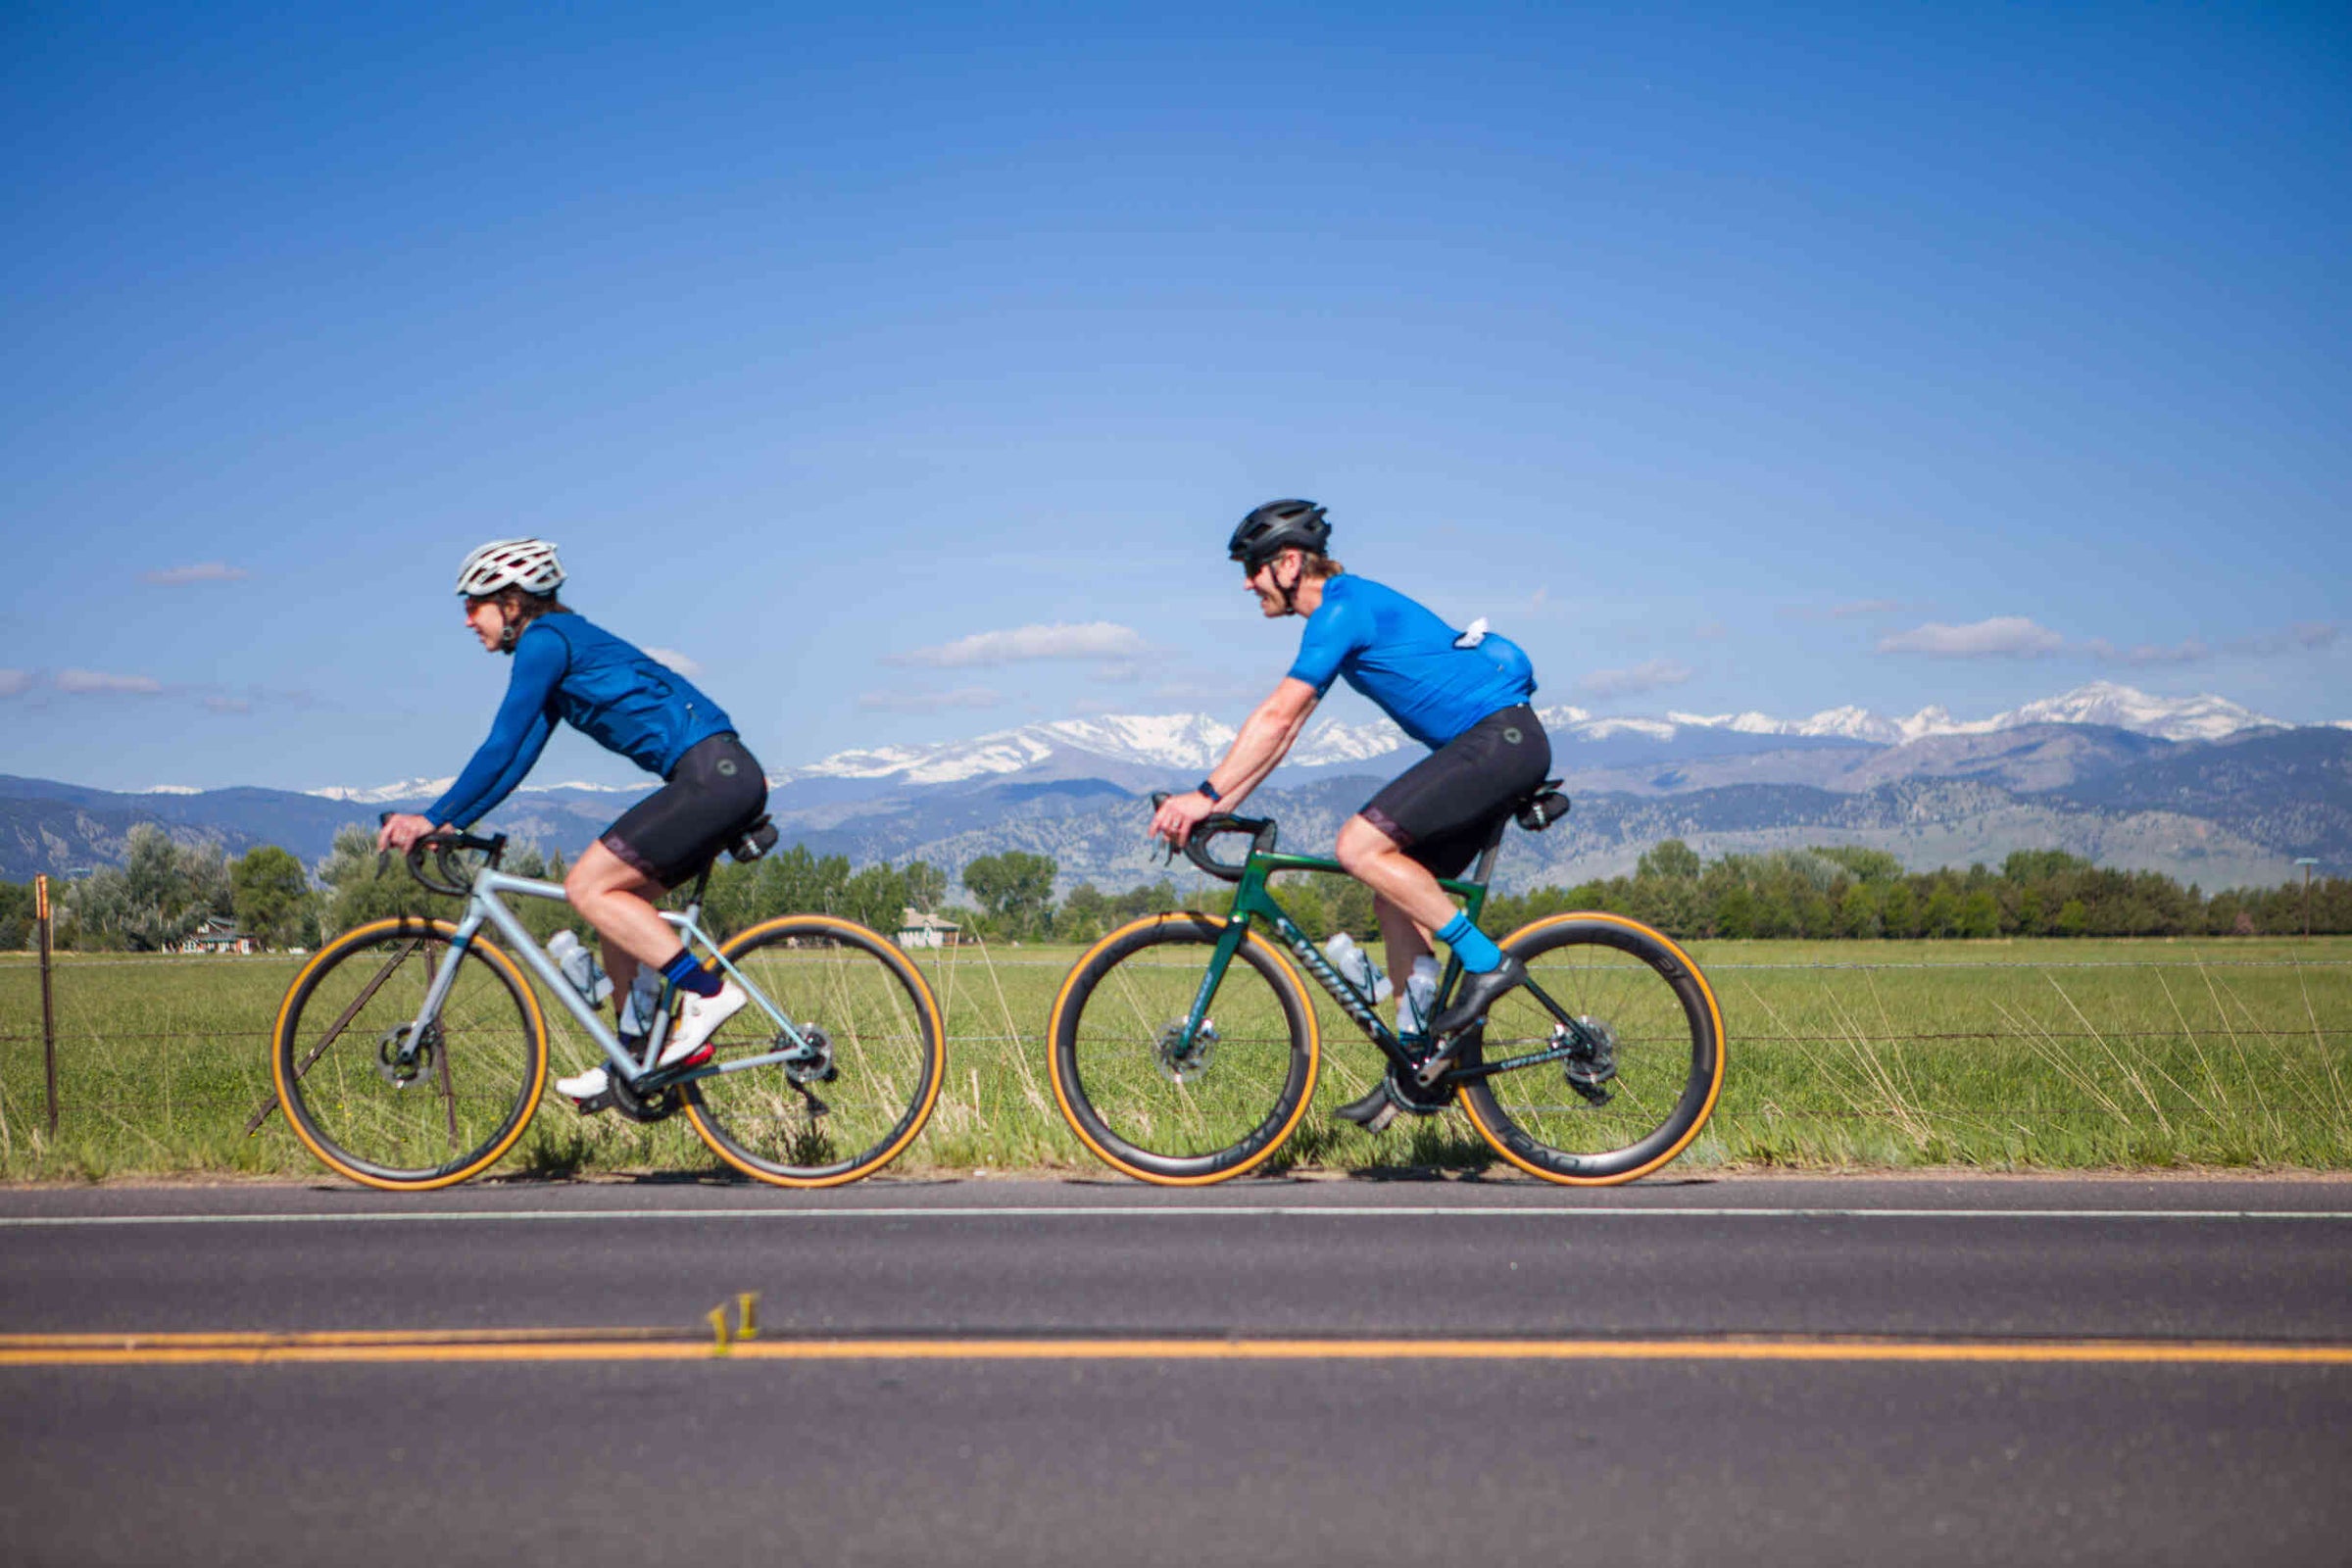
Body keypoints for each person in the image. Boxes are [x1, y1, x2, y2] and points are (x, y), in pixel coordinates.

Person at [1150, 500, 1550, 1131]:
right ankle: (1417, 1068)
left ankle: (1487, 965)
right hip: (1493, 745)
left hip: (1496, 741)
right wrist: (1219, 806)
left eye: (1253, 568)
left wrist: (1200, 795)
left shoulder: (1341, 608)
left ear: (1287, 563)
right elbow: (1284, 737)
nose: (1247, 583)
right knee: (1393, 889)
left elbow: (1277, 714)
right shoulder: (1343, 613)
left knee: (1358, 847)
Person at [375, 538, 768, 1107]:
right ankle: (634, 1060)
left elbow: (499, 742)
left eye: (474, 604)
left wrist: (433, 818)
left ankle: (707, 993)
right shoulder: (558, 651)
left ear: (512, 601)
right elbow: (514, 760)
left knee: (586, 886)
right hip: (719, 777)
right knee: (616, 912)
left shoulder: (544, 642)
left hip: (712, 776)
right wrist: (454, 823)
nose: (467, 620)